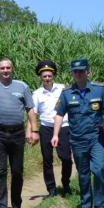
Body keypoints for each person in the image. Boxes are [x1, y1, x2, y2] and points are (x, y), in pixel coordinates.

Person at [52, 58, 104, 208]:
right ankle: (86, 204)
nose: (78, 74)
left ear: (88, 71)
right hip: (77, 139)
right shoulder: (66, 93)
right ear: (73, 73)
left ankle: (99, 205)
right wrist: (55, 134)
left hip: (96, 138)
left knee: (100, 169)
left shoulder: (99, 90)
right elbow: (59, 114)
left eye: (82, 71)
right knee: (83, 173)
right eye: (75, 71)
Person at [0, 57, 37, 208]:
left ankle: (16, 205)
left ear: (12, 69)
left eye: (8, 68)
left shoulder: (22, 86)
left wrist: (34, 130)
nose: (5, 71)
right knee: (0, 170)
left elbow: (30, 109)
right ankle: (1, 207)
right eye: (2, 68)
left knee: (17, 171)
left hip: (18, 134)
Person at [31, 60, 73, 198]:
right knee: (47, 159)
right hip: (46, 128)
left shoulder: (63, 89)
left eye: (49, 76)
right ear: (40, 77)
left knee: (66, 158)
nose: (47, 78)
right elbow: (33, 114)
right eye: (44, 76)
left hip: (64, 127)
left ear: (53, 75)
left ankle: (66, 184)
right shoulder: (37, 94)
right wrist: (31, 131)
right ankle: (51, 189)